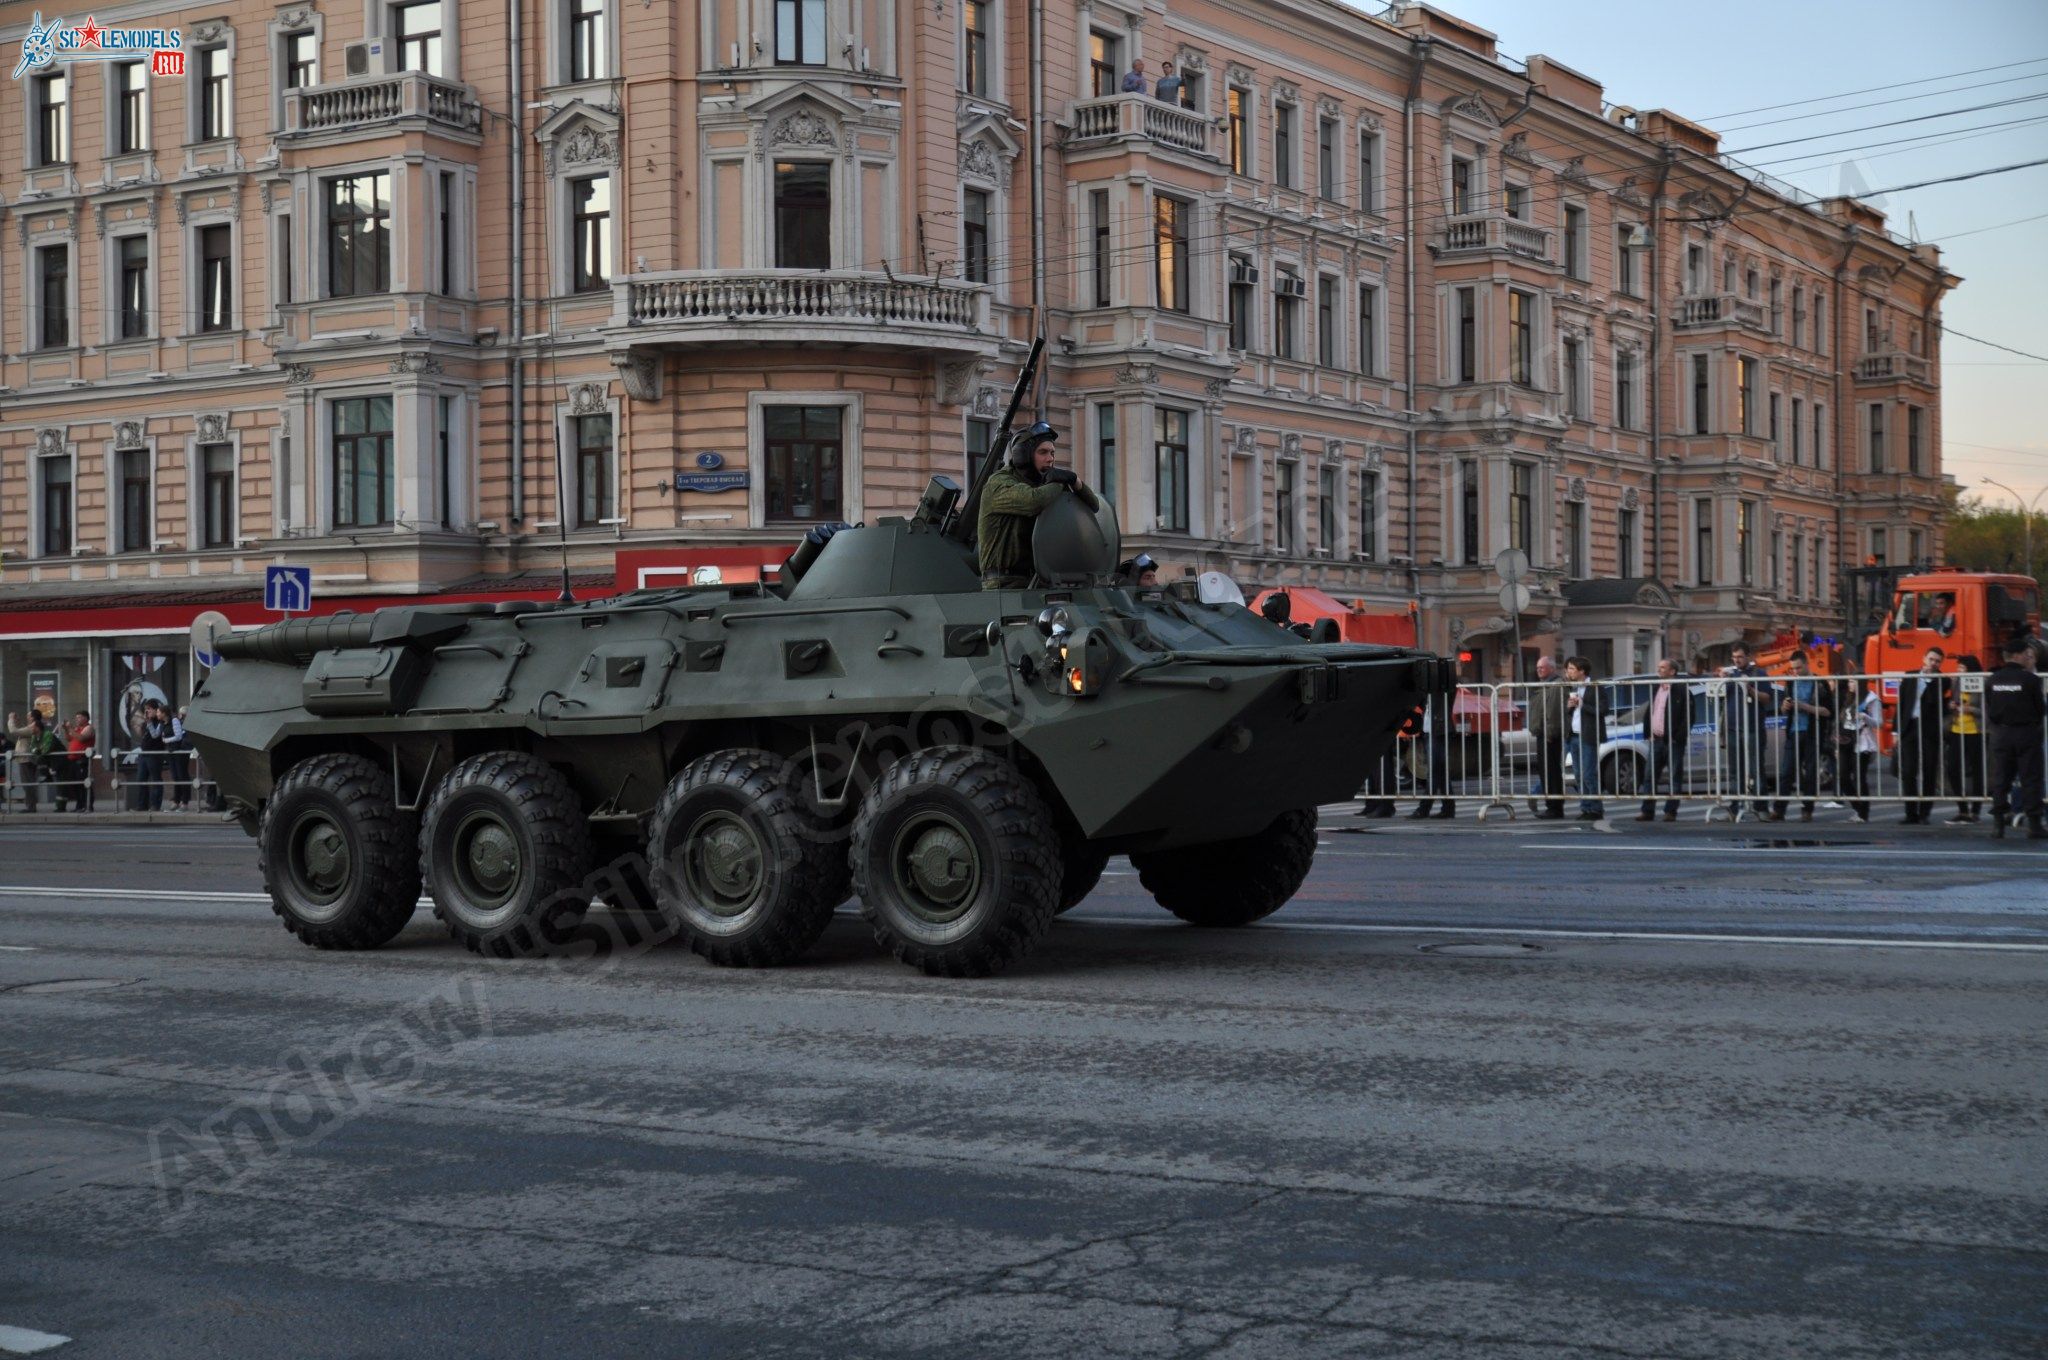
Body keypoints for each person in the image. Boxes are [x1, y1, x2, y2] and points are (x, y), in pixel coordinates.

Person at [975, 421, 1100, 588]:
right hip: (1003, 585)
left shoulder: (1043, 485)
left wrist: (1074, 479)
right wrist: (1059, 481)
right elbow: (1032, 501)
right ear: (1023, 455)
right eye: (1043, 452)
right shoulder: (999, 483)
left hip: (1037, 580)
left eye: (1052, 453)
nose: (1050, 459)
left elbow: (1093, 506)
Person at [1985, 636, 2046, 839]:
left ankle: (1998, 824)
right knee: (2030, 778)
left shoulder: (1993, 680)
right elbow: (2040, 709)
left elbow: (1991, 709)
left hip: (2001, 734)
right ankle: (2034, 825)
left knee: (2001, 779)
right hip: (2026, 734)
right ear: (2018, 655)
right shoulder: (2030, 679)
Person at [1767, 651, 1832, 821]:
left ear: (1806, 663)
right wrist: (1785, 707)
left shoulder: (1819, 683)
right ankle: (1779, 810)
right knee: (1786, 772)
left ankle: (1807, 810)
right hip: (1793, 731)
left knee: (1810, 773)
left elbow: (1827, 711)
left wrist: (1805, 707)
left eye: (1798, 667)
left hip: (1812, 732)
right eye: (1793, 668)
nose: (1795, 671)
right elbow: (1783, 709)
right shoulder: (1790, 683)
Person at [1630, 658, 1690, 822]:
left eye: (1663, 668)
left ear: (1672, 672)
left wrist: (1678, 736)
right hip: (1656, 740)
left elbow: (1688, 715)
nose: (1659, 670)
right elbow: (1651, 711)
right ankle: (1647, 810)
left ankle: (1670, 811)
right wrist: (1648, 732)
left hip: (1672, 741)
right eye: (1659, 667)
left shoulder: (1681, 689)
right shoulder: (1657, 688)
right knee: (1649, 776)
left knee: (1674, 777)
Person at [1895, 646, 1947, 825]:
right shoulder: (1909, 676)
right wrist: (1896, 730)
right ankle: (1910, 813)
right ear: (1924, 658)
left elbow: (1934, 699)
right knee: (1909, 771)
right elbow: (1901, 703)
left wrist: (1929, 679)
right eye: (1931, 659)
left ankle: (1925, 813)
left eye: (1937, 661)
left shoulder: (1942, 680)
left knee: (1929, 770)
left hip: (1929, 729)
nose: (1933, 663)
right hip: (1910, 727)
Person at [1719, 645, 1770, 818]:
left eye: (1740, 657)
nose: (1736, 660)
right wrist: (1721, 681)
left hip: (1753, 727)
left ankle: (1761, 807)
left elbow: (1767, 698)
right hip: (1733, 728)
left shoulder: (1759, 674)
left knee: (1756, 769)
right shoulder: (1731, 674)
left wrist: (1749, 688)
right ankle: (1735, 807)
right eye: (1734, 657)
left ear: (1748, 656)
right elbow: (1720, 697)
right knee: (1735, 770)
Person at [1522, 655, 1568, 820]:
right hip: (1543, 733)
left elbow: (1553, 712)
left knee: (1551, 772)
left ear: (1551, 668)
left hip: (1549, 735)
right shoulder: (1544, 685)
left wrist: (1550, 732)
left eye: (1542, 667)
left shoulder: (1555, 686)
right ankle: (1552, 805)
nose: (1539, 670)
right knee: (1546, 771)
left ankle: (1555, 807)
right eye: (1537, 667)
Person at [1942, 654, 1986, 826]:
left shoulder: (1982, 682)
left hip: (1975, 731)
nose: (1958, 671)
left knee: (1977, 771)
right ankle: (1962, 809)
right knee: (1952, 768)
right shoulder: (1956, 683)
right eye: (1958, 668)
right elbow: (1952, 702)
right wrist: (1951, 706)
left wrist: (1970, 709)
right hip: (1956, 729)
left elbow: (1985, 710)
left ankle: (1975, 811)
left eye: (1961, 668)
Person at [1564, 656, 1606, 821]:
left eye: (1572, 669)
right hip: (1574, 735)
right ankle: (1585, 807)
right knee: (1579, 775)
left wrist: (1583, 705)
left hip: (1588, 735)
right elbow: (1572, 714)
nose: (1569, 672)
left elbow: (1603, 709)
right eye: (1568, 669)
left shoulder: (1595, 687)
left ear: (1582, 671)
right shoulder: (1572, 687)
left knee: (1589, 774)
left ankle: (1596, 808)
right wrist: (1569, 707)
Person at [1406, 687, 1455, 820]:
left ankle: (1424, 808)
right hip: (1429, 730)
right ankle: (1448, 808)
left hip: (1439, 730)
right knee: (1440, 772)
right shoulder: (1425, 690)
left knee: (1434, 771)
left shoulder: (1442, 686)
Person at [1840, 681, 1883, 823]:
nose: (1850, 684)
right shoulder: (1848, 697)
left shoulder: (1871, 699)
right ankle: (1858, 808)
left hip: (1862, 741)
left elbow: (1878, 723)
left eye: (1854, 681)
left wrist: (1864, 717)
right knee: (1843, 777)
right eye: (1850, 681)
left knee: (1859, 778)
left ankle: (1863, 813)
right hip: (1845, 741)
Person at [7, 711, 54, 813]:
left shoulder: (33, 727)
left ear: (33, 718)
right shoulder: (32, 726)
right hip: (24, 758)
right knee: (27, 783)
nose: (27, 717)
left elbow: (14, 731)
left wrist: (11, 719)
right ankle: (30, 806)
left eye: (28, 715)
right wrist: (17, 721)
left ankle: (31, 807)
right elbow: (21, 730)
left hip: (26, 759)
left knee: (27, 783)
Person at [136, 699, 171, 812]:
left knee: (156, 779)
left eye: (149, 709)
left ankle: (155, 805)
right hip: (144, 754)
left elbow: (155, 735)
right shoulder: (147, 722)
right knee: (141, 779)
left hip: (155, 754)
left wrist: (149, 722)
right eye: (146, 709)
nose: (147, 711)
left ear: (157, 710)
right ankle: (142, 805)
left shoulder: (158, 722)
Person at [55, 710, 94, 812]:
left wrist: (70, 728)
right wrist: (66, 730)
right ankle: (79, 805)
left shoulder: (88, 728)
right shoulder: (77, 729)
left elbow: (81, 738)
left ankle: (87, 805)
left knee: (84, 783)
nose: (77, 719)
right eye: (76, 718)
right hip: (72, 760)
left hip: (82, 759)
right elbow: (69, 739)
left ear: (86, 718)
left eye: (79, 717)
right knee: (76, 784)